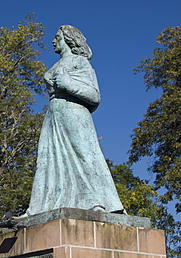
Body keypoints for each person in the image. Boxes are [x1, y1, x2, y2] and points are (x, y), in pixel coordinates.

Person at [26, 25, 125, 215]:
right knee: (47, 160)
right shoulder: (56, 65)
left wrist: (68, 84)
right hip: (54, 115)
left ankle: (99, 202)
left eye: (57, 37)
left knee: (85, 154)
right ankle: (40, 207)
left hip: (74, 113)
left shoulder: (80, 62)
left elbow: (95, 96)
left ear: (69, 40)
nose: (53, 41)